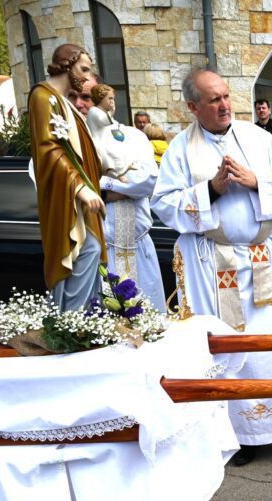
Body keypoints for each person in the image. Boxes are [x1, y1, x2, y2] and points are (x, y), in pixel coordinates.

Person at [151, 69, 272, 466]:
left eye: (227, 96)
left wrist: (255, 182)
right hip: (213, 265)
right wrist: (210, 189)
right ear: (193, 106)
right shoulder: (181, 149)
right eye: (213, 100)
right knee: (229, 351)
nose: (225, 104)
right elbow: (163, 205)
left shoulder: (259, 138)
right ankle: (240, 433)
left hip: (267, 256)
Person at [27, 43, 106, 311]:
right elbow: (48, 149)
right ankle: (72, 323)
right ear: (66, 65)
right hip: (65, 198)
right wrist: (81, 188)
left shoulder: (65, 104)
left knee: (91, 250)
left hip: (79, 200)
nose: (86, 76)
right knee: (83, 251)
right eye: (83, 69)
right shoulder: (42, 97)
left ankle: (86, 321)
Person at [87, 83, 166, 312]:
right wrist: (115, 188)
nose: (88, 104)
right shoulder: (71, 139)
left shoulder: (133, 137)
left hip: (136, 245)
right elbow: (65, 188)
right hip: (96, 253)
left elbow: (148, 180)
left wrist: (102, 186)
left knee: (148, 320)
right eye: (81, 97)